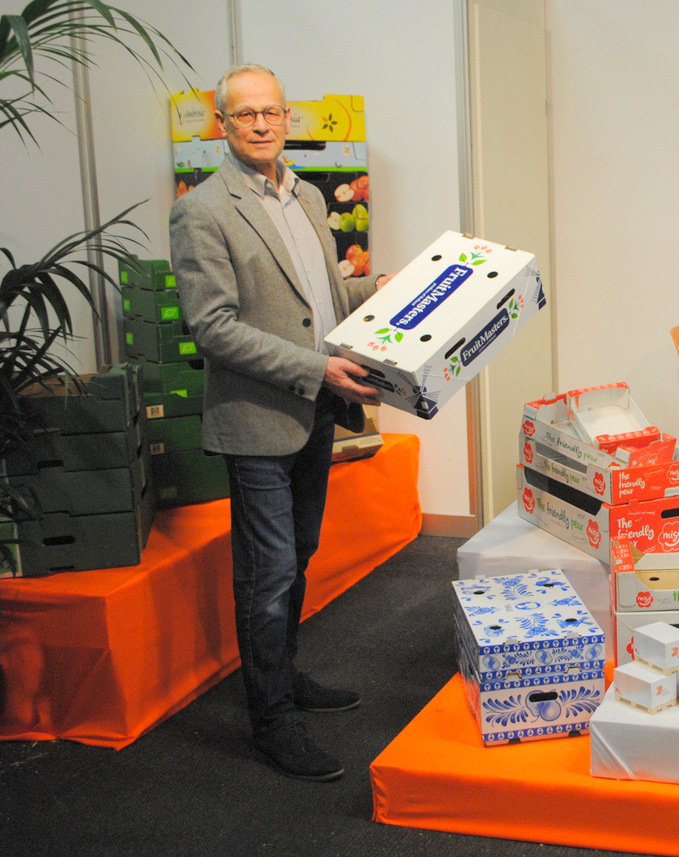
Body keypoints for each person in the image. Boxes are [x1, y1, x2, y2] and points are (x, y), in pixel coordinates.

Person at [169, 64, 391, 782]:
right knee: (267, 574)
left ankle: (283, 675)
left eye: (271, 112)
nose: (261, 124)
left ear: (288, 117)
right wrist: (317, 368)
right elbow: (213, 329)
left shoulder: (308, 196)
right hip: (258, 420)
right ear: (223, 125)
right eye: (245, 114)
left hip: (314, 409)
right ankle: (272, 720)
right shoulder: (204, 210)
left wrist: (380, 288)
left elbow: (320, 302)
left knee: (298, 554)